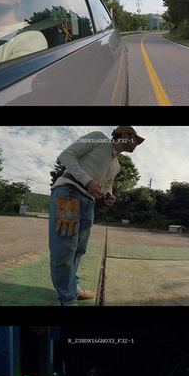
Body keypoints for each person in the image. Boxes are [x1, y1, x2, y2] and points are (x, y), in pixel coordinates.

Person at [49, 126, 145, 306]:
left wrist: (108, 195)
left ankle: (72, 287)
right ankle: (68, 300)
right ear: (124, 134)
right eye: (135, 139)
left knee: (78, 249)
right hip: (69, 193)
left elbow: (107, 185)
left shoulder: (116, 165)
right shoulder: (99, 138)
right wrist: (87, 181)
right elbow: (66, 155)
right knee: (64, 249)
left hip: (88, 202)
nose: (137, 144)